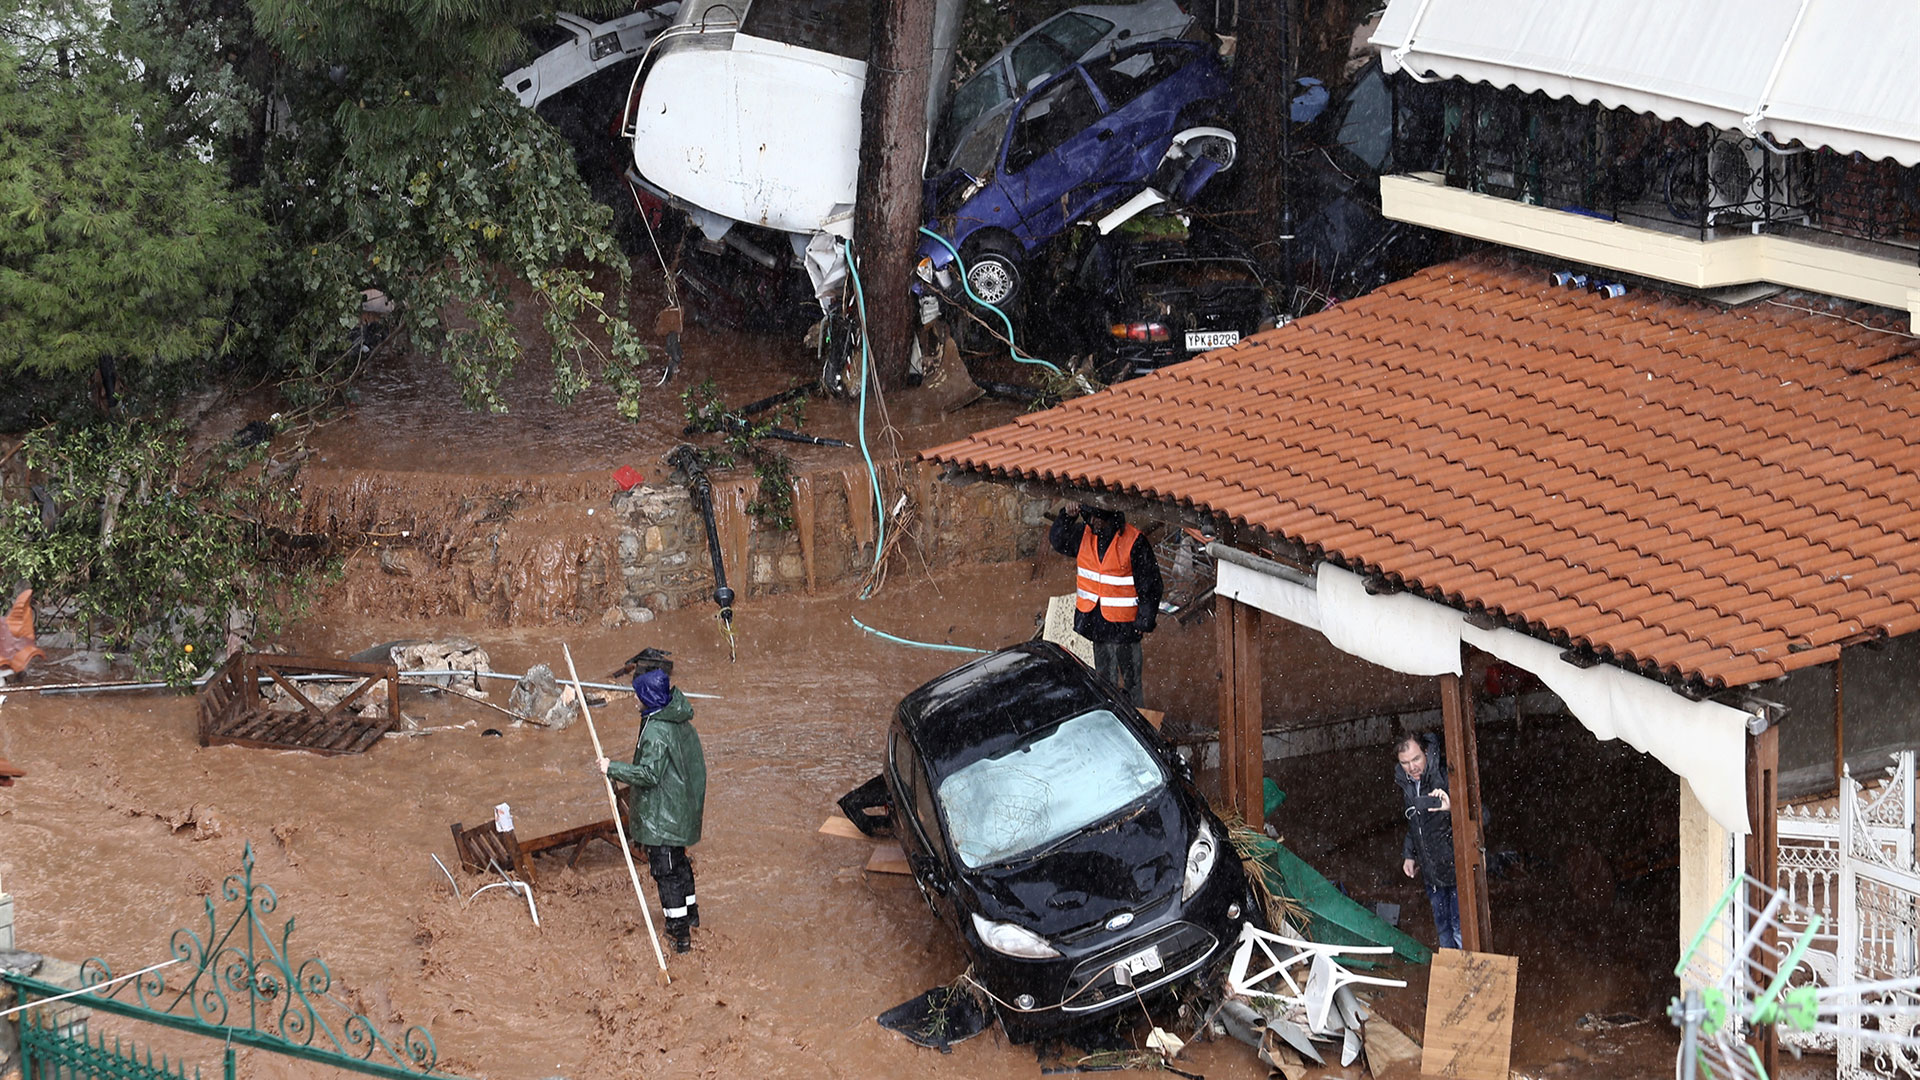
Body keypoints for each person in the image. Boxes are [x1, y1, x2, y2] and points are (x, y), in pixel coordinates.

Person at [598, 666, 707, 953]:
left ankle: (679, 935)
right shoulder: (680, 721)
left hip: (664, 818)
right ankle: (691, 916)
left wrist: (613, 769)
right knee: (680, 866)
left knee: (666, 873)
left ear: (647, 697)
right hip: (681, 811)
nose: (635, 701)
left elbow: (649, 774)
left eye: (638, 696)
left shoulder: (656, 731)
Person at [1049, 504, 1162, 706]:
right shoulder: (1083, 535)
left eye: (1098, 518)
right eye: (1090, 517)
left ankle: (1135, 716)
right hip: (1097, 623)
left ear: (1111, 518)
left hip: (1126, 627)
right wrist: (1067, 516)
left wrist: (1143, 622)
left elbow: (1150, 585)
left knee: (1132, 681)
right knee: (1104, 681)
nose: (1093, 522)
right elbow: (1057, 541)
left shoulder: (1134, 541)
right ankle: (1111, 712)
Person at [1394, 732, 1462, 950]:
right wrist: (1409, 854)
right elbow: (1415, 824)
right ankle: (1453, 977)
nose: (1411, 767)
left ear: (1427, 753)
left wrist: (1454, 808)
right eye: (1404, 763)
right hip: (1431, 873)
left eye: (1416, 759)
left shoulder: (1446, 776)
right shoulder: (1407, 784)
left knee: (1461, 928)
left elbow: (1483, 816)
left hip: (1456, 869)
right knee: (1443, 928)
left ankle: (1469, 978)